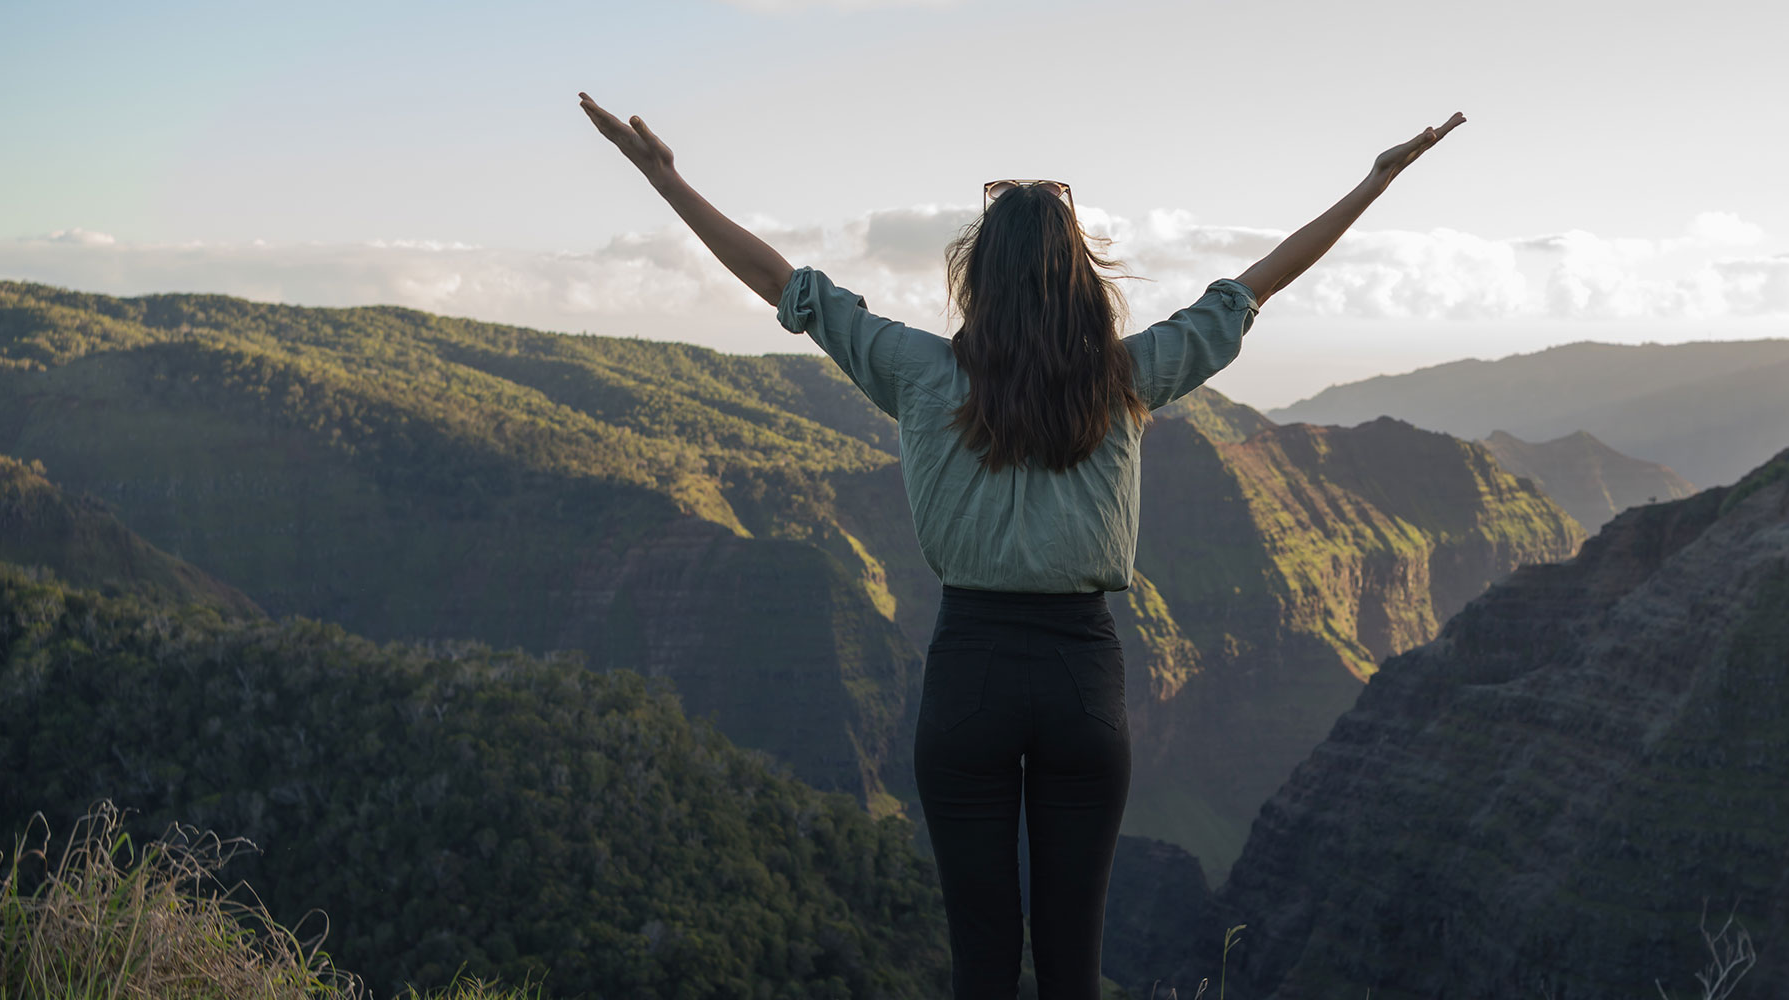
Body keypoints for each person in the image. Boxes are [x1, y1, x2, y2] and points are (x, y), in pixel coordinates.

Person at [577, 91, 1463, 1000]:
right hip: (1084, 680)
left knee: (983, 961)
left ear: (978, 277)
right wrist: (1374, 181)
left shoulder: (917, 372)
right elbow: (1253, 286)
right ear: (1078, 277)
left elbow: (782, 284)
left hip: (970, 677)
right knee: (1074, 964)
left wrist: (665, 178)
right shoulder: (1128, 377)